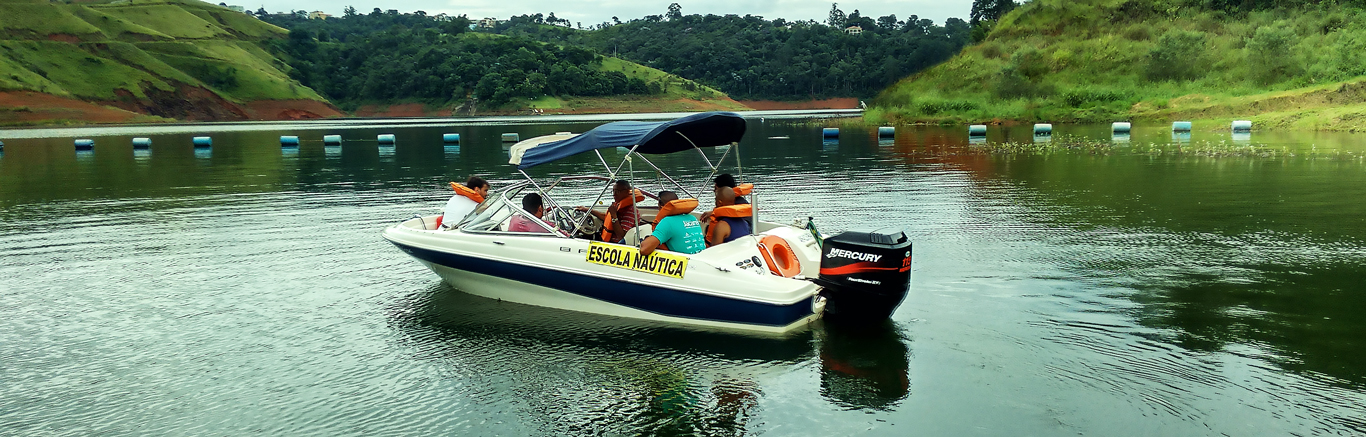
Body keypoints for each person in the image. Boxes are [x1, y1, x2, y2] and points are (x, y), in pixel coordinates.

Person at [640, 191, 705, 256]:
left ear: (660, 205)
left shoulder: (667, 222)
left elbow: (644, 250)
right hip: (700, 257)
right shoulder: (692, 218)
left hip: (684, 263)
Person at [577, 179, 642, 243]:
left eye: (617, 191)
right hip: (606, 240)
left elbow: (621, 236)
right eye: (613, 191)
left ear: (627, 192)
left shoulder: (630, 211)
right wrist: (587, 210)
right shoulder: (619, 206)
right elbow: (606, 217)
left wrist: (614, 215)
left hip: (616, 244)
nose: (614, 194)